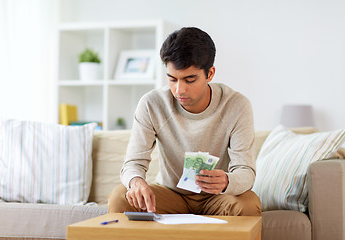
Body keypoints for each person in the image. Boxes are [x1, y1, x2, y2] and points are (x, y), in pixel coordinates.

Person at [108, 27, 261, 216]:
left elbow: (246, 171)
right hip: (170, 195)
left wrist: (227, 181)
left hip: (218, 197)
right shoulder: (152, 104)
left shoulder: (237, 105)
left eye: (189, 80)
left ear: (210, 74)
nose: (179, 90)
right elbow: (133, 163)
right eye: (172, 79)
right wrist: (136, 182)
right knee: (120, 197)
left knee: (248, 203)